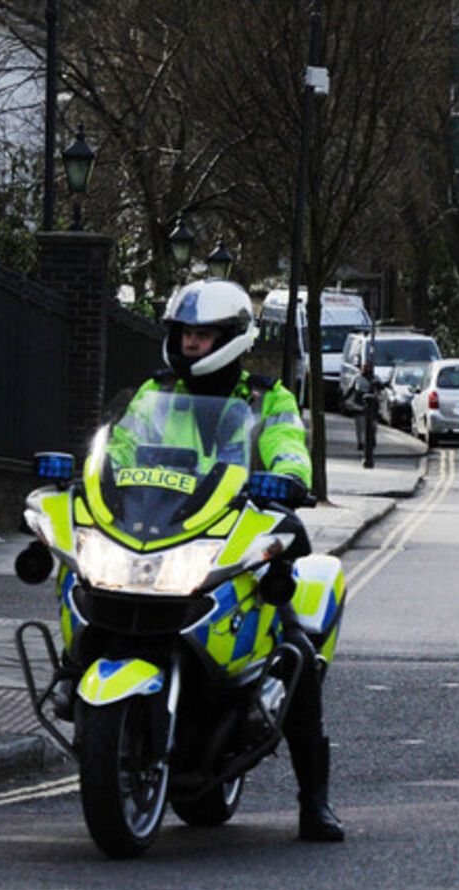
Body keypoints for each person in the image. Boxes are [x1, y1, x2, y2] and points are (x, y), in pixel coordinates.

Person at [122, 279, 344, 843]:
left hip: (236, 536)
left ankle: (314, 802)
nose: (191, 344)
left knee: (291, 650)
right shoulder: (155, 393)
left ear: (230, 339)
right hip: (162, 532)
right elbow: (120, 447)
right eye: (185, 333)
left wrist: (287, 481)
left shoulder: (267, 398)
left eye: (202, 335)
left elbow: (289, 449)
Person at [347, 359, 384, 468]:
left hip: (372, 409)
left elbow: (381, 390)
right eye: (364, 366)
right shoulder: (357, 378)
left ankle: (370, 442)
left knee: (372, 426)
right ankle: (361, 443)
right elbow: (351, 390)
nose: (365, 369)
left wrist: (378, 386)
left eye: (367, 366)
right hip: (359, 406)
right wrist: (345, 399)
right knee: (360, 426)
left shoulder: (376, 379)